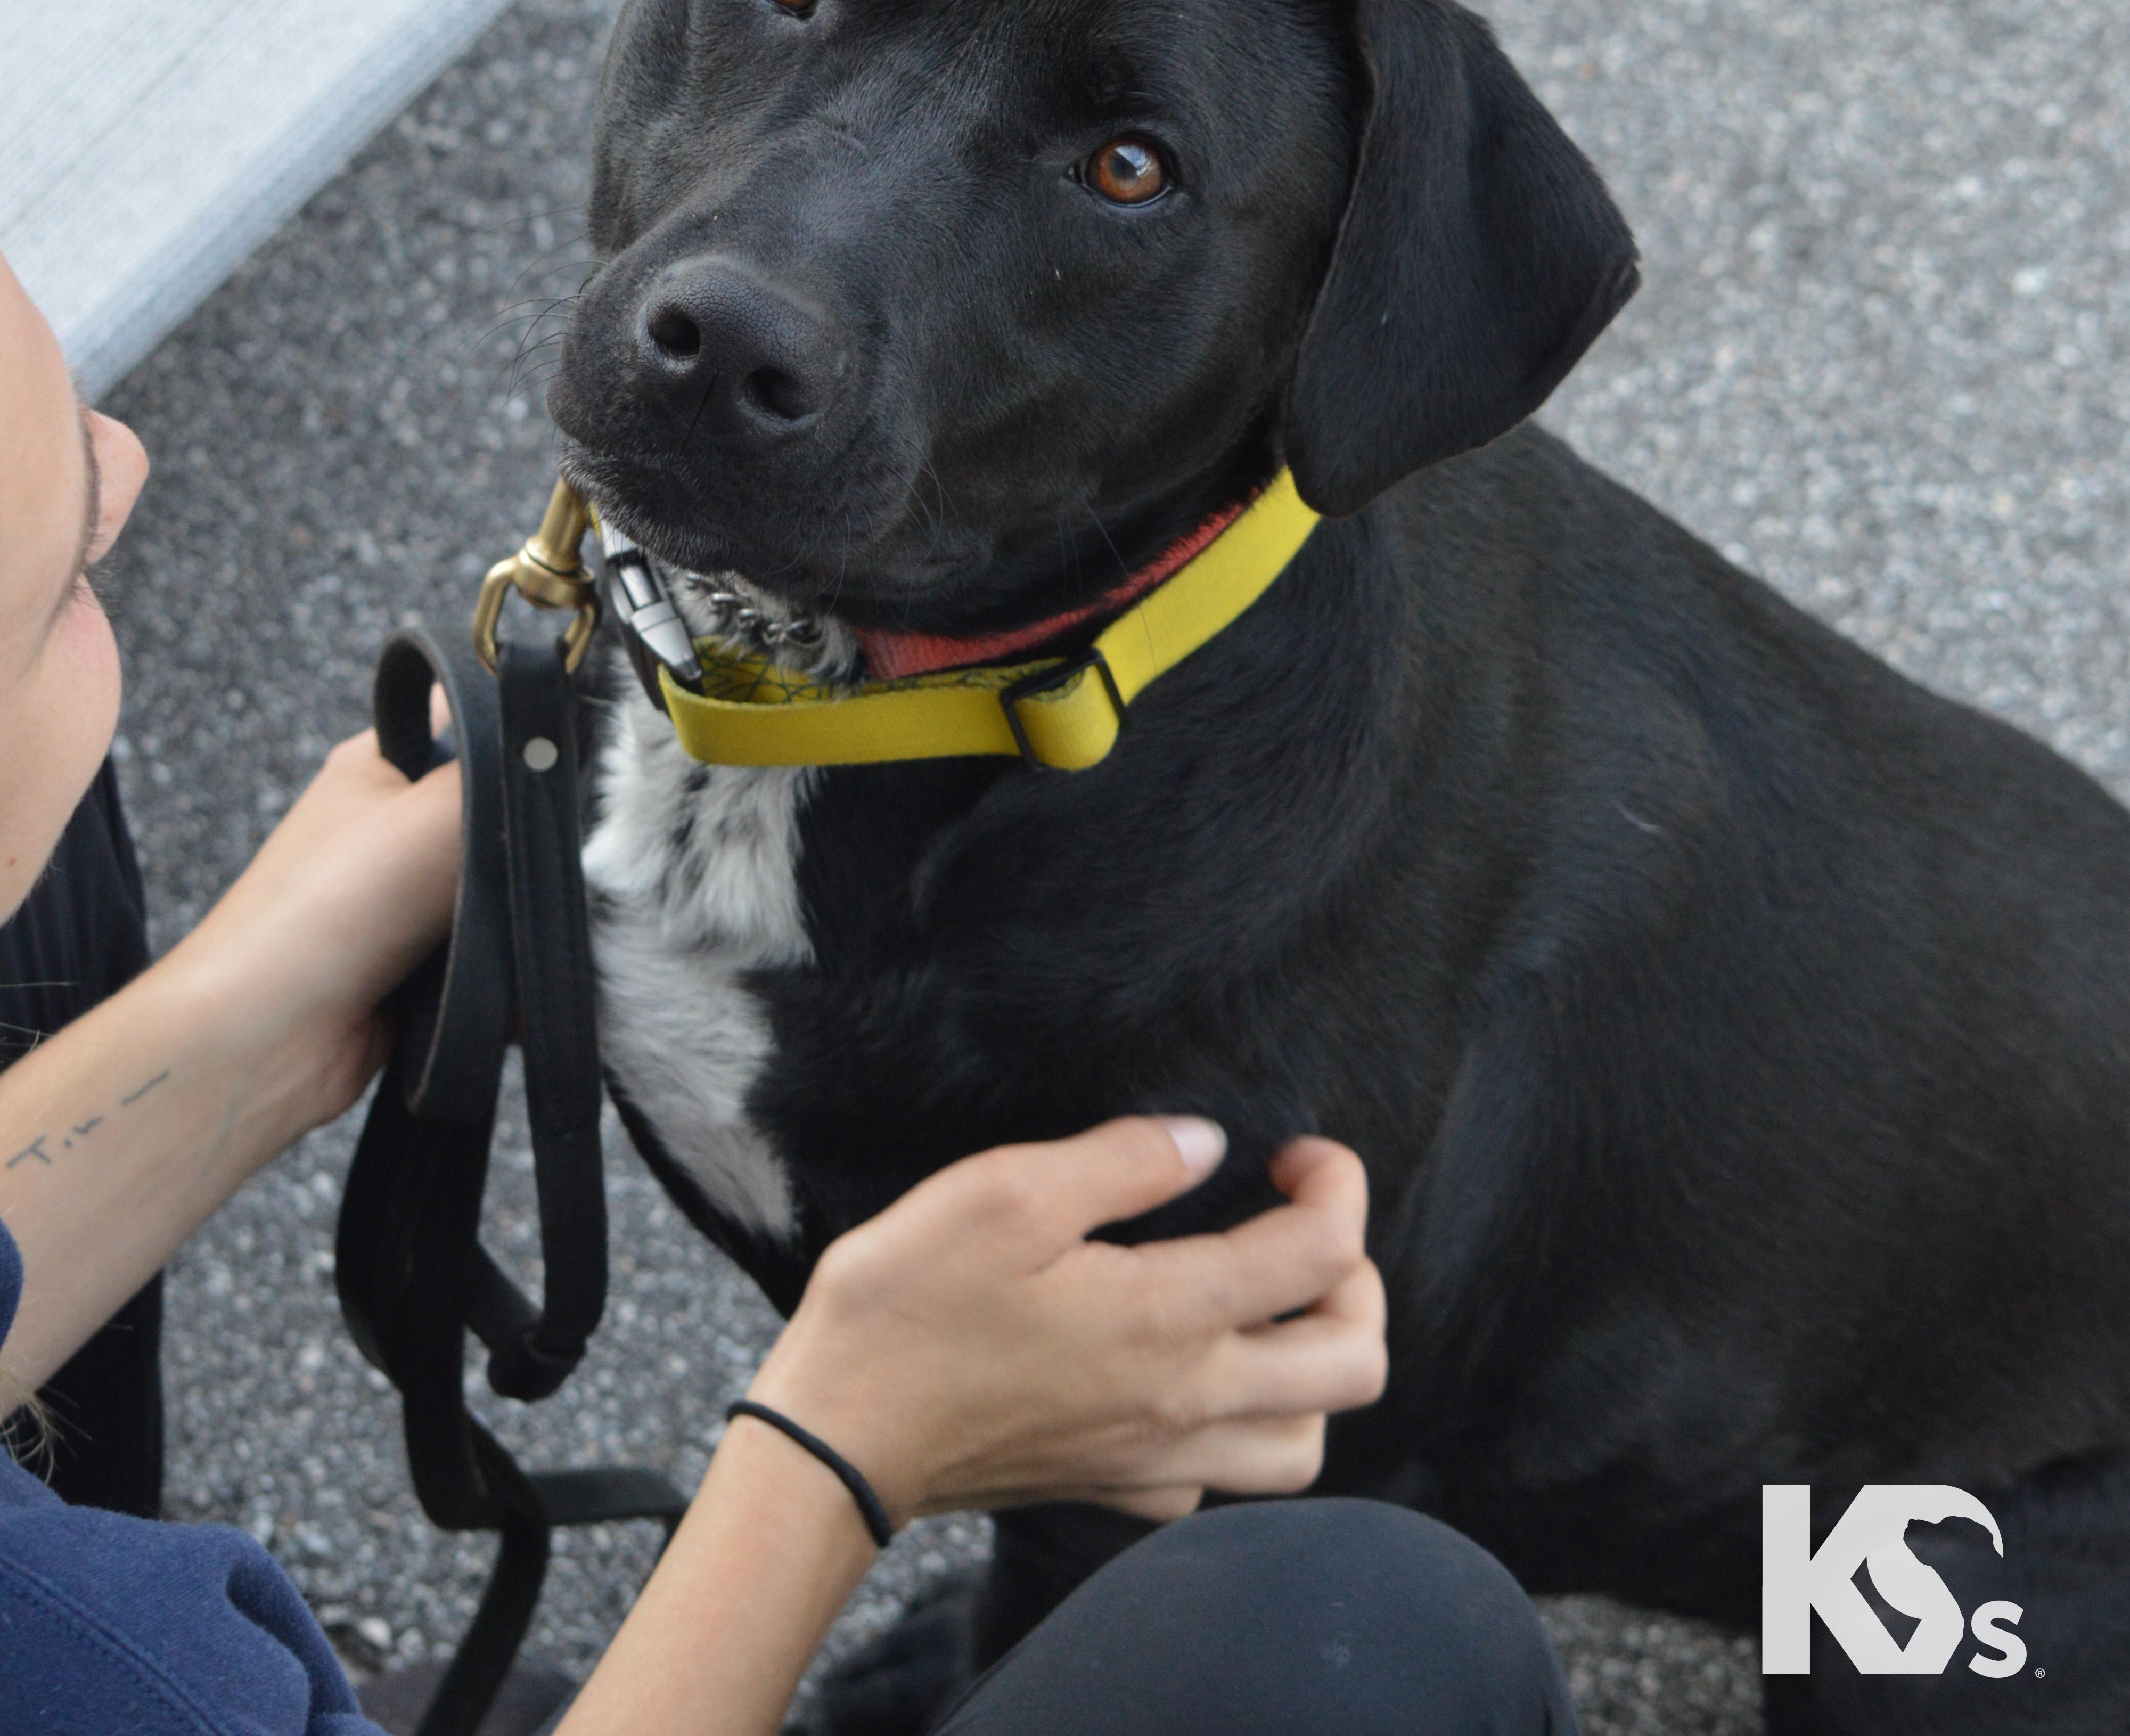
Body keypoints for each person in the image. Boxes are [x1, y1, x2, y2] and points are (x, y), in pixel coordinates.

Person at [0, 249, 1579, 1734]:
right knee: (1362, 1636)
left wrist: (240, 1026)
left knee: (47, 877)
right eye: (62, 579)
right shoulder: (80, 1644)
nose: (130, 461)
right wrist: (840, 1448)